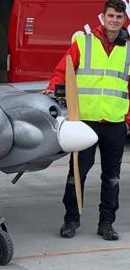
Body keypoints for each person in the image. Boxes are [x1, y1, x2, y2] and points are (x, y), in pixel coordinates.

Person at [46, 0, 130, 241]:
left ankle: (106, 223)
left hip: (114, 124)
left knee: (112, 177)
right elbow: (63, 71)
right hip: (84, 123)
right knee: (77, 174)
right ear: (103, 17)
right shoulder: (83, 42)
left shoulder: (128, 50)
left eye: (119, 16)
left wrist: (127, 121)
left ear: (124, 20)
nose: (115, 20)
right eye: (111, 15)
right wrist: (53, 90)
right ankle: (71, 220)